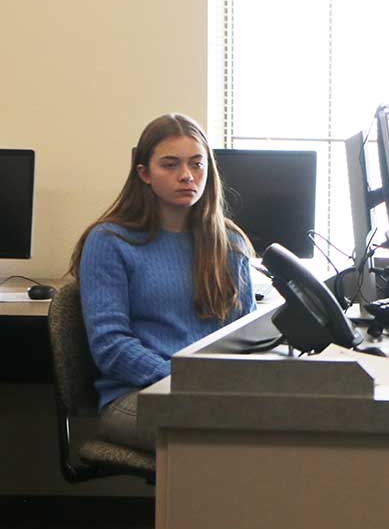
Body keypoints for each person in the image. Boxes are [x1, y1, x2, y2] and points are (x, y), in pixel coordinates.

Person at [69, 113, 255, 453]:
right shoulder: (110, 241)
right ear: (144, 174)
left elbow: (245, 337)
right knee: (221, 435)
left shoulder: (228, 242)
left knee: (281, 423)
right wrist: (184, 380)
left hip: (209, 393)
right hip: (136, 395)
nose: (186, 175)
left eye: (197, 165)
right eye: (170, 165)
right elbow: (111, 346)